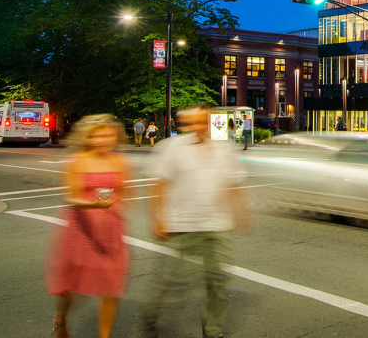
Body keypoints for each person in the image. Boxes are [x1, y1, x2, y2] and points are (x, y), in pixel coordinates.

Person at [144, 105, 248, 338]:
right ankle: (153, 313)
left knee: (217, 280)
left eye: (203, 121)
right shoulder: (172, 148)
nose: (199, 127)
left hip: (218, 224)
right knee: (178, 280)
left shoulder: (223, 148)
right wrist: (157, 218)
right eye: (193, 123)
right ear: (184, 125)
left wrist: (241, 211)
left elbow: (235, 180)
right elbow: (159, 183)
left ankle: (213, 331)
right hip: (184, 224)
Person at [46, 115, 130, 338]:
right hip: (81, 229)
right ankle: (60, 319)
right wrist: (94, 203)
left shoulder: (119, 161)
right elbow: (71, 197)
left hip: (110, 231)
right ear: (88, 138)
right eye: (97, 136)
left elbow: (124, 192)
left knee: (111, 288)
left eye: (107, 135)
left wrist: (116, 207)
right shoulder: (78, 161)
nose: (102, 140)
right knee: (71, 286)